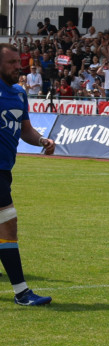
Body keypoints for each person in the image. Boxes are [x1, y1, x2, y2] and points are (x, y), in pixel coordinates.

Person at [0, 44, 57, 306]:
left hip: (5, 170)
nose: (18, 66)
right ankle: (22, 293)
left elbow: (26, 131)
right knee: (8, 223)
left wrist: (43, 140)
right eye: (11, 62)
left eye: (18, 61)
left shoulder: (19, 94)